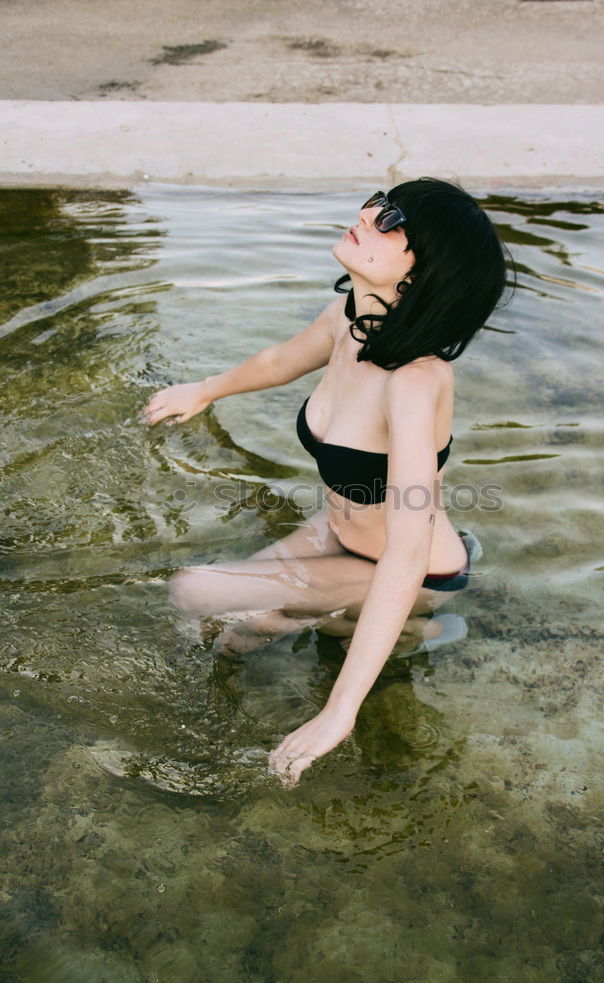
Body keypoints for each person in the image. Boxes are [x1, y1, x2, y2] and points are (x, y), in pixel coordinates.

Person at [141, 178, 511, 787]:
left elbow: (407, 548)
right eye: (379, 200)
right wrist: (204, 391)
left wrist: (339, 711)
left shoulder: (415, 384)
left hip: (409, 565)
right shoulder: (349, 317)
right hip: (338, 532)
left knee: (196, 592)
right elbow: (280, 360)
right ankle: (327, 622)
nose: (369, 215)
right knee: (230, 638)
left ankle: (425, 623)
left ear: (422, 275)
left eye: (393, 221)